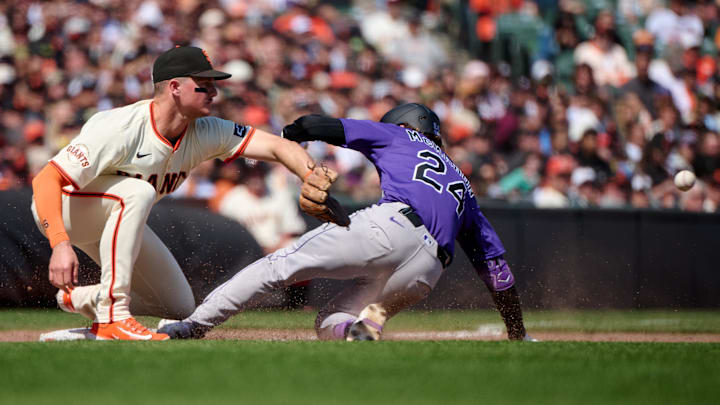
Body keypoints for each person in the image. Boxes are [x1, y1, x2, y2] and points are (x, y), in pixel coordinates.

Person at [32, 46, 336, 341]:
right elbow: (46, 180)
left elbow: (277, 146)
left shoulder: (206, 131)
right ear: (175, 87)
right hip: (64, 209)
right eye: (204, 86)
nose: (214, 93)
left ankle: (88, 299)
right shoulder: (122, 127)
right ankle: (113, 315)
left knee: (177, 306)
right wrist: (59, 244)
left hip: (115, 214)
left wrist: (309, 173)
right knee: (137, 192)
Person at [159, 103, 534, 342]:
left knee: (278, 265)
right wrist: (517, 334)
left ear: (406, 124)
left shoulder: (400, 134)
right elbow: (499, 275)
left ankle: (192, 325)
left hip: (390, 227)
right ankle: (355, 334)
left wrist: (292, 138)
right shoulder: (464, 188)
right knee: (332, 321)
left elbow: (321, 124)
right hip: (426, 273)